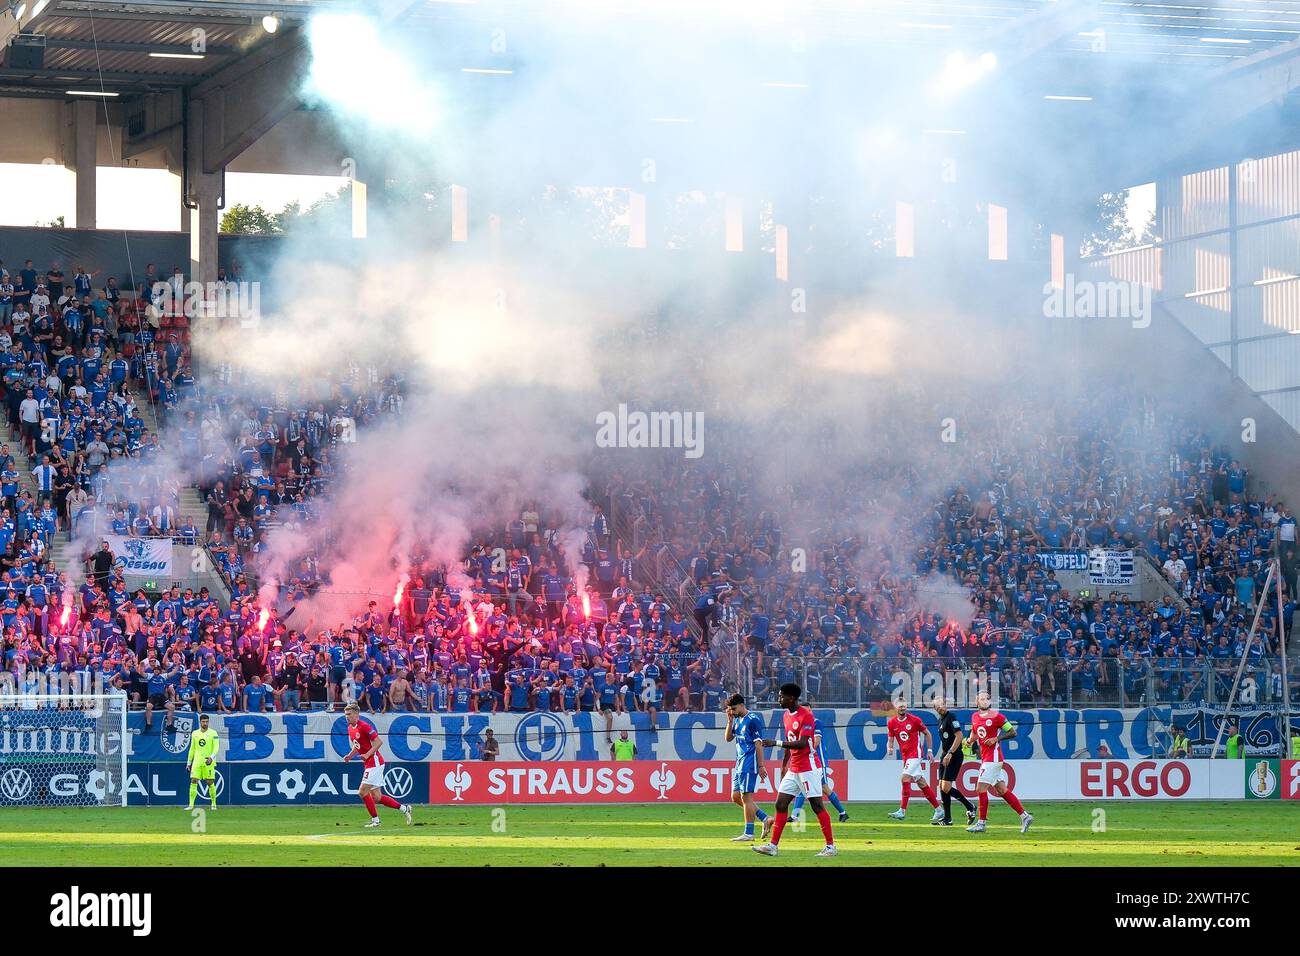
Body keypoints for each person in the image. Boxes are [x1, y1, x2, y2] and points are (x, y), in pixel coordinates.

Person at [752, 682, 837, 858]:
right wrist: (784, 764)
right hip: (794, 768)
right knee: (780, 804)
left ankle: (830, 847)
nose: (779, 699)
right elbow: (790, 743)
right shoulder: (786, 716)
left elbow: (803, 743)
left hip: (809, 768)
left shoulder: (806, 716)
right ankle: (773, 846)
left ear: (791, 698)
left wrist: (775, 743)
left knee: (816, 806)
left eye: (781, 696)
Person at [966, 691, 1032, 834]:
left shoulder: (997, 717)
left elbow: (1013, 732)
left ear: (990, 702)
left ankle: (981, 823)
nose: (984, 701)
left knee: (980, 789)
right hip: (986, 758)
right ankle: (1025, 816)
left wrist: (997, 738)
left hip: (993, 758)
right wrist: (969, 740)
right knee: (1002, 790)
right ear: (977, 702)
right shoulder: (975, 716)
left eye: (986, 699)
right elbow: (975, 731)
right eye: (981, 699)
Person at [342, 701, 413, 828]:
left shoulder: (364, 726)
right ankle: (405, 808)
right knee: (377, 797)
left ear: (357, 714)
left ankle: (376, 820)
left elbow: (378, 742)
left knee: (362, 792)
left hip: (374, 762)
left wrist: (368, 754)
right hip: (370, 763)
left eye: (349, 714)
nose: (347, 716)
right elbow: (357, 745)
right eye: (346, 714)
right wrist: (349, 755)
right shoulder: (350, 728)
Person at [723, 693, 771, 842]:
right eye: (729, 709)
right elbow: (728, 738)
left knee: (746, 797)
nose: (731, 711)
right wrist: (729, 721)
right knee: (735, 797)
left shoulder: (753, 720)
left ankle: (748, 833)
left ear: (742, 705)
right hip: (739, 763)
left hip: (749, 763)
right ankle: (765, 818)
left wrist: (761, 765)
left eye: (734, 708)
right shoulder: (736, 719)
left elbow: (758, 744)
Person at [886, 699, 942, 822]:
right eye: (900, 706)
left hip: (915, 755)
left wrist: (930, 751)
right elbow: (890, 739)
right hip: (906, 757)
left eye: (904, 706)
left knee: (904, 778)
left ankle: (902, 811)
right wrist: (889, 747)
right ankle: (939, 810)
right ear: (895, 707)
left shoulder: (914, 720)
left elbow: (928, 733)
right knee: (921, 783)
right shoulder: (891, 723)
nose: (903, 708)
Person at [790, 715, 849, 823]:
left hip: (818, 763)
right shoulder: (800, 724)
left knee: (825, 789)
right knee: (804, 787)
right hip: (808, 762)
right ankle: (794, 816)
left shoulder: (816, 722)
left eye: (807, 710)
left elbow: (816, 742)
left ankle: (842, 812)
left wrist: (802, 750)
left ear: (810, 711)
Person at [933, 697, 977, 826]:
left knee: (946, 787)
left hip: (954, 755)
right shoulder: (940, 720)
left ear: (946, 705)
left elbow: (959, 736)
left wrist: (950, 753)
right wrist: (945, 754)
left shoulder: (951, 717)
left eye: (941, 704)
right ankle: (947, 819)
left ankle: (970, 807)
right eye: (937, 706)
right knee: (941, 786)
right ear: (935, 709)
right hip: (945, 754)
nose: (940, 707)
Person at [185, 713, 220, 812]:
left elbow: (216, 747)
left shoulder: (213, 733)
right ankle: (191, 805)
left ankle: (213, 804)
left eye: (206, 722)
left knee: (209, 782)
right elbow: (192, 748)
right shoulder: (195, 733)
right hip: (197, 761)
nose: (205, 723)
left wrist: (211, 757)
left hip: (208, 761)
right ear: (200, 722)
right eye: (203, 721)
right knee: (193, 780)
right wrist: (189, 762)